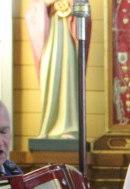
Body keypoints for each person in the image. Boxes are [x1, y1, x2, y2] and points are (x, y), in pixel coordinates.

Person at [26, 0, 87, 139]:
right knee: (51, 76)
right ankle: (48, 126)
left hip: (68, 33)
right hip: (50, 32)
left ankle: (69, 127)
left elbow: (84, 8)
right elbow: (33, 10)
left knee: (68, 77)